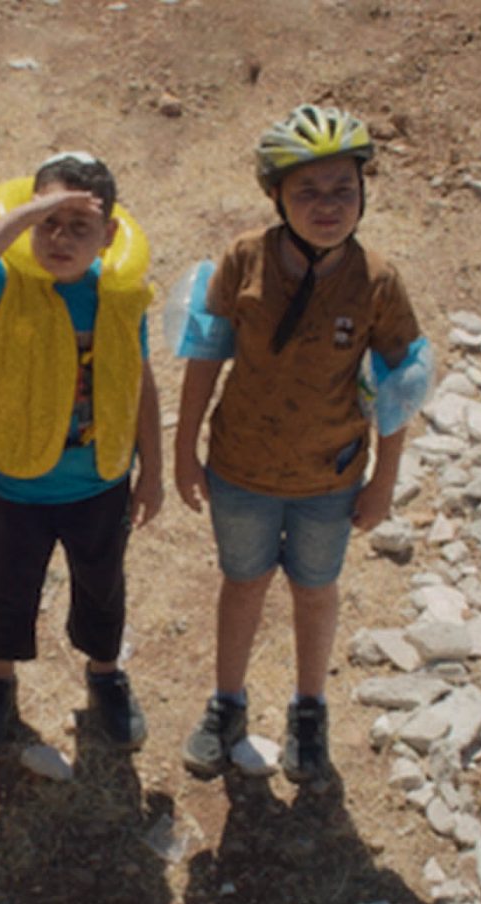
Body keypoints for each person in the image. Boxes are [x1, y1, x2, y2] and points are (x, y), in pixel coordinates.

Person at [173, 105, 425, 784]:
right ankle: (227, 704)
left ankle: (309, 710)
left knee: (315, 590)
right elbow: (206, 354)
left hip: (329, 476)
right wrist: (183, 449)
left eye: (343, 189)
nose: (328, 206)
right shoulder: (244, 258)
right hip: (241, 467)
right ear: (277, 196)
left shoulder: (377, 280)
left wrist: (383, 479)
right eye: (308, 191)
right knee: (243, 583)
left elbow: (399, 387)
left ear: (363, 193)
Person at [0, 151, 163, 753]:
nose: (60, 239)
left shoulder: (118, 293)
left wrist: (154, 471)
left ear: (109, 235)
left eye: (78, 226)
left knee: (103, 585)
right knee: (10, 586)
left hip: (101, 481)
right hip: (20, 482)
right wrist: (24, 216)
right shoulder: (8, 284)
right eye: (48, 224)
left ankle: (105, 675)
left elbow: (140, 380)